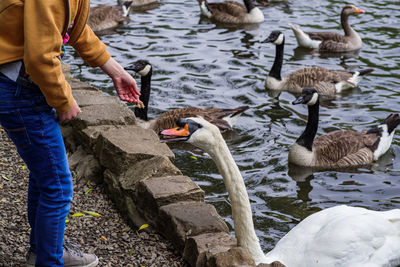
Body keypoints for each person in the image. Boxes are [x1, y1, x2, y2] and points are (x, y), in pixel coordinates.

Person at [0, 0, 140, 266]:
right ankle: (48, 261)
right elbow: (40, 57)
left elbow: (74, 26)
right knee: (58, 186)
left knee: (45, 173)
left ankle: (41, 251)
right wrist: (63, 101)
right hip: (17, 89)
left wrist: (114, 69)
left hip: (20, 83)